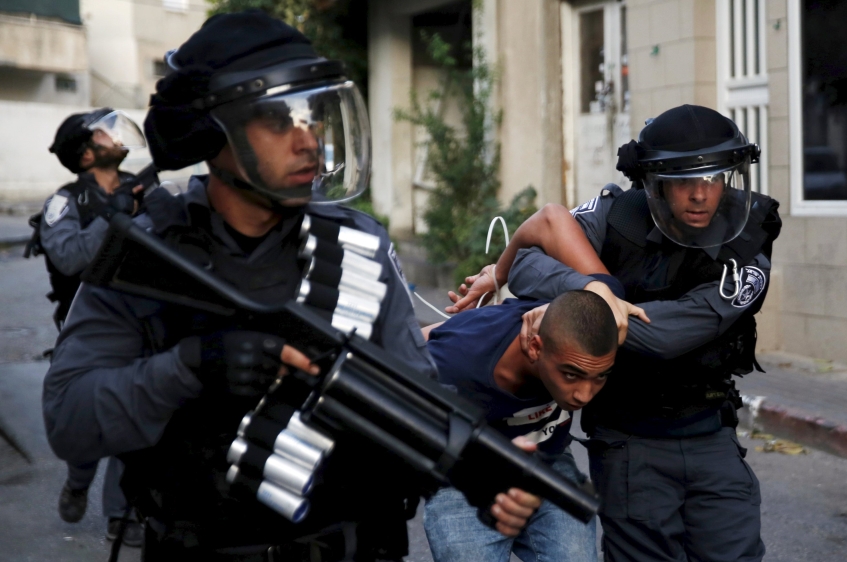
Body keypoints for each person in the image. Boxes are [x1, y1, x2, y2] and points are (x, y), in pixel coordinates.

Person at [42, 10, 539, 561]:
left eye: (314, 117)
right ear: (213, 131)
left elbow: (412, 397)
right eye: (279, 121)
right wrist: (189, 368)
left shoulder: (358, 248)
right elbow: (69, 421)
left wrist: (473, 470)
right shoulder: (148, 255)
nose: (310, 141)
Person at [446, 105, 782, 562]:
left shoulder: (748, 242)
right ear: (654, 183)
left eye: (713, 178)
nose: (701, 194)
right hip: (627, 439)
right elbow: (526, 263)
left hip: (709, 434)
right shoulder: (617, 214)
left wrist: (571, 311)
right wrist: (594, 291)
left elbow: (663, 337)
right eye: (682, 180)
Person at [421, 291, 618, 562]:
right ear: (535, 347)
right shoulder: (456, 364)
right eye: (571, 374)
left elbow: (599, 283)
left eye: (600, 376)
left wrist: (498, 272)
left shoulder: (567, 323)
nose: (584, 395)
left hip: (546, 458)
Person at [29, 107, 148, 546]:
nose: (114, 137)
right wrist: (112, 218)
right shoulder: (62, 203)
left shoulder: (142, 187)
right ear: (85, 154)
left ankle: (121, 511)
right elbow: (68, 257)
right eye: (103, 134)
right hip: (88, 327)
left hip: (142, 319)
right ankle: (79, 480)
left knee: (133, 412)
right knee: (86, 417)